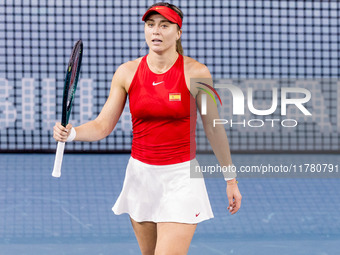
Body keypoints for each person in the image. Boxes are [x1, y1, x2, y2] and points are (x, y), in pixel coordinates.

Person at [53, 2, 242, 254]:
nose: (156, 31)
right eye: (151, 25)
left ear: (178, 32)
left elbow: (213, 128)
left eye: (165, 25)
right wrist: (72, 132)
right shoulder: (126, 73)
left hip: (181, 178)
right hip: (141, 178)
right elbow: (102, 125)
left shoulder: (197, 72)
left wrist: (231, 179)